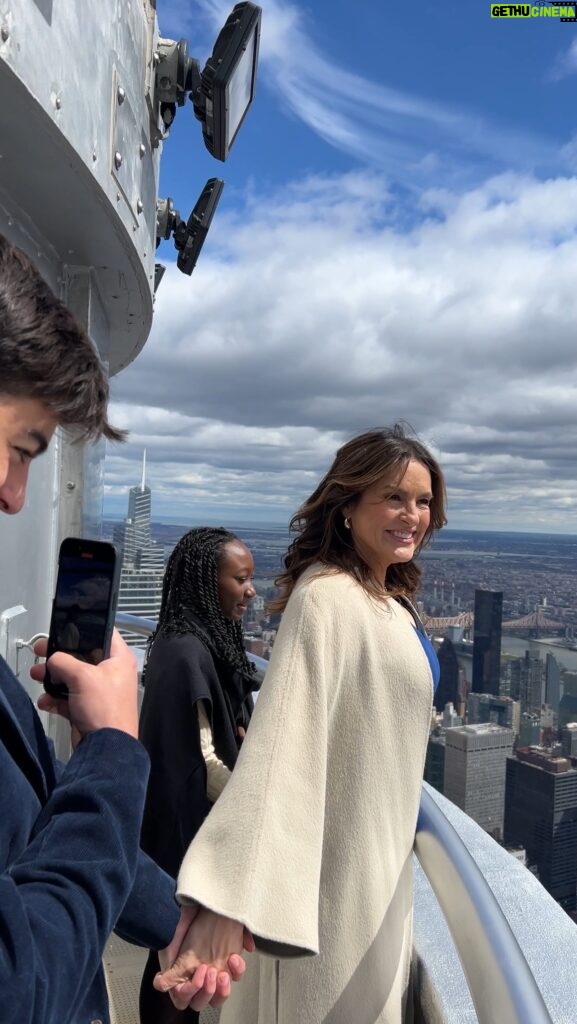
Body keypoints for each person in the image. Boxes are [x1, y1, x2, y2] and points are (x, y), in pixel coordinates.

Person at [0, 232, 247, 1024]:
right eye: (18, 448)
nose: (14, 496)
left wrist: (173, 923)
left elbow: (38, 823)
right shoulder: (180, 655)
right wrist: (110, 747)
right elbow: (19, 986)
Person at [154, 424, 447, 1024]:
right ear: (346, 507)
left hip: (381, 863)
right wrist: (227, 900)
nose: (412, 515)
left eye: (423, 501)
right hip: (336, 879)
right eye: (394, 497)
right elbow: (283, 743)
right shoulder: (328, 599)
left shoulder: (389, 600)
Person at [139, 526, 258, 1024]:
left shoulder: (202, 641)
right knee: (173, 956)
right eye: (241, 579)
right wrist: (262, 797)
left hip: (190, 833)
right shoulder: (186, 654)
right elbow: (201, 764)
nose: (251, 590)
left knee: (176, 956)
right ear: (209, 584)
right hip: (182, 839)